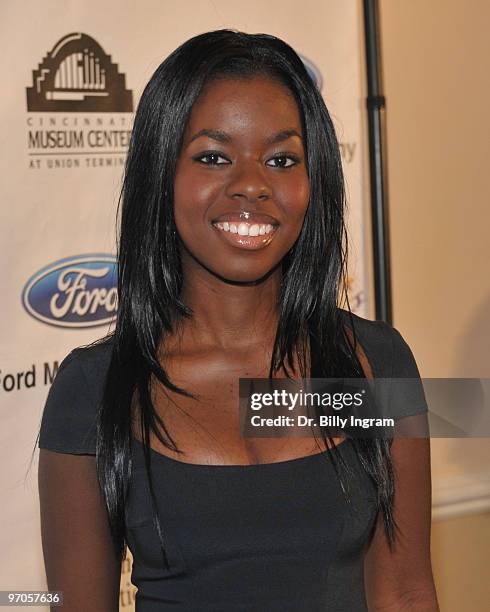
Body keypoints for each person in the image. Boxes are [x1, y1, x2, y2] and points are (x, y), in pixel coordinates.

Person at [37, 29, 439, 611]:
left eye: (281, 159)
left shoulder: (377, 366)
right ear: (162, 174)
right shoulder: (93, 389)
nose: (252, 184)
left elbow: (406, 589)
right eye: (213, 156)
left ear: (313, 181)